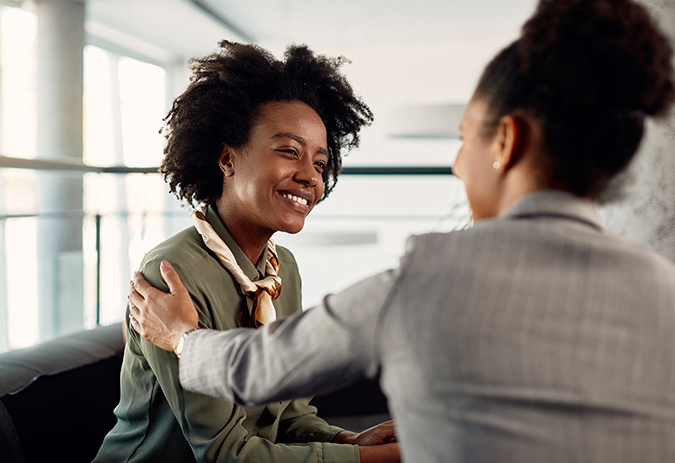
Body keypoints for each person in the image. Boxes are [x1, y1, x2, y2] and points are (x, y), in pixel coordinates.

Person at [126, 0, 675, 462]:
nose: (460, 164)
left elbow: (258, 369)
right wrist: (355, 444)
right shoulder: (662, 287)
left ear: (505, 142)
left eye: (466, 139)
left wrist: (180, 338)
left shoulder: (429, 278)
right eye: (290, 153)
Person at [93, 41, 402, 463]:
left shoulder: (281, 271)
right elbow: (225, 454)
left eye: (320, 161)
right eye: (290, 151)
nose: (310, 176)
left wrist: (349, 442)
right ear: (226, 159)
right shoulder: (173, 273)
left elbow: (289, 414)